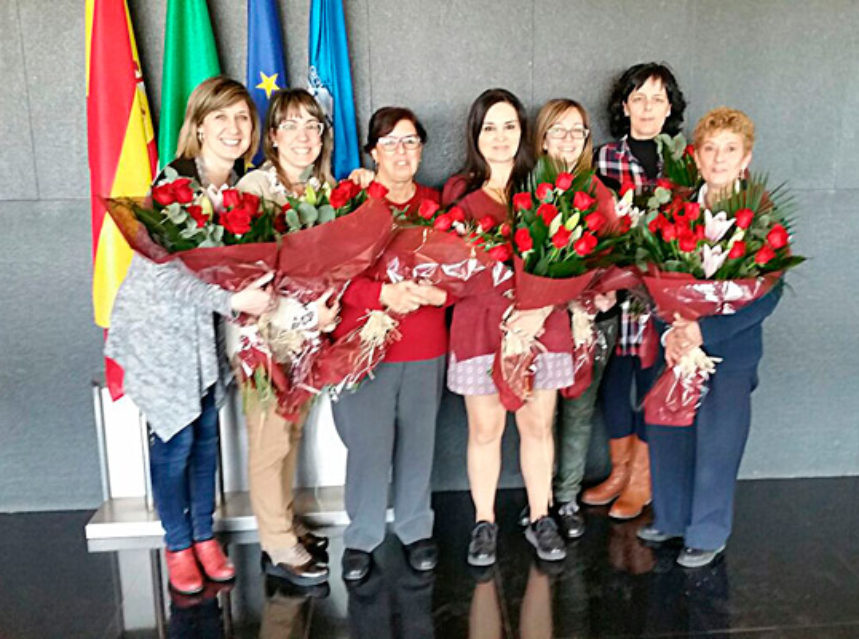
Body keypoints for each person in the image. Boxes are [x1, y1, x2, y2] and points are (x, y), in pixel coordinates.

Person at [106, 76, 270, 594]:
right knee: (174, 441)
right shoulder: (173, 185)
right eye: (220, 117)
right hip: (162, 335)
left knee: (204, 440)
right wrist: (232, 302)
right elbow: (164, 273)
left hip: (203, 335)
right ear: (197, 127)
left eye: (242, 117)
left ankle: (204, 536)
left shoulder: (234, 190)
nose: (234, 128)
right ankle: (177, 543)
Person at [637, 107, 782, 568]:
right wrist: (675, 332)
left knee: (719, 440)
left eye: (730, 150)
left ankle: (707, 531)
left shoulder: (762, 216)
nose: (719, 159)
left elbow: (765, 298)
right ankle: (672, 518)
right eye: (710, 149)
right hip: (676, 342)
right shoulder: (675, 208)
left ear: (746, 158)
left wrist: (706, 330)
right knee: (666, 430)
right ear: (696, 157)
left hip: (730, 352)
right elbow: (650, 277)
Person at [444, 88, 569, 565]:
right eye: (489, 127)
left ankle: (541, 516)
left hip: (540, 329)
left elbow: (569, 262)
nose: (500, 137)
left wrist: (536, 311)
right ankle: (484, 522)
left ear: (524, 133)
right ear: (476, 135)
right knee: (485, 430)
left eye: (510, 126)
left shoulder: (545, 192)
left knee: (538, 425)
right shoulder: (459, 195)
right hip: (479, 330)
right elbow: (449, 272)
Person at [330, 107, 449, 582]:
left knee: (420, 443)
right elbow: (331, 275)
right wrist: (381, 294)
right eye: (391, 142)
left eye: (411, 141)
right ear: (373, 151)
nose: (402, 150)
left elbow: (462, 272)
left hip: (426, 344)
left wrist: (443, 292)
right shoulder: (351, 201)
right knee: (369, 446)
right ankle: (361, 536)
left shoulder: (437, 206)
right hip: (367, 344)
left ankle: (416, 528)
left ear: (421, 149)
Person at [234, 88, 340, 586]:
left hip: (304, 340)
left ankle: (286, 522)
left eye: (313, 126)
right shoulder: (255, 189)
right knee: (269, 441)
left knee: (291, 434)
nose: (304, 136)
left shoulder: (322, 191)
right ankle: (276, 544)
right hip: (262, 338)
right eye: (292, 126)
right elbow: (248, 276)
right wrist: (305, 314)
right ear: (273, 137)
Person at [585, 62, 687, 519]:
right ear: (624, 107)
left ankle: (643, 481)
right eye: (639, 99)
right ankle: (620, 472)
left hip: (665, 299)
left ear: (670, 109)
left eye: (657, 100)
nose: (647, 109)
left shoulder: (684, 163)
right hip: (615, 293)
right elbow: (593, 224)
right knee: (614, 384)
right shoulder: (604, 158)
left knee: (650, 384)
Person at [525, 98, 618, 538]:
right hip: (540, 325)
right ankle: (538, 503)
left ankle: (566, 499)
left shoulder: (599, 193)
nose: (567, 139)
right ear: (542, 138)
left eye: (577, 131)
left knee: (579, 412)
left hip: (590, 322)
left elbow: (619, 255)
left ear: (587, 139)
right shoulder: (524, 191)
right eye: (557, 130)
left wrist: (604, 294)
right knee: (536, 421)